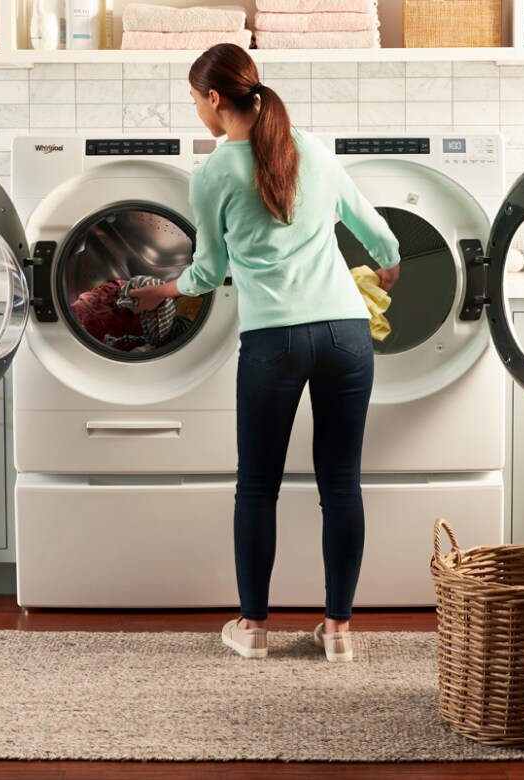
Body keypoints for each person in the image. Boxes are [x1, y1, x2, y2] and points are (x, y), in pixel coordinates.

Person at [130, 43, 400, 663]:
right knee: (341, 483)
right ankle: (337, 632)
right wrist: (381, 273)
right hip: (346, 336)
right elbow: (379, 237)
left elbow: (207, 271)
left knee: (257, 487)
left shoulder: (214, 173)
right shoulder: (313, 147)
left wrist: (161, 291)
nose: (196, 109)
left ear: (215, 98)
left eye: (194, 99)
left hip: (274, 343)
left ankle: (252, 629)